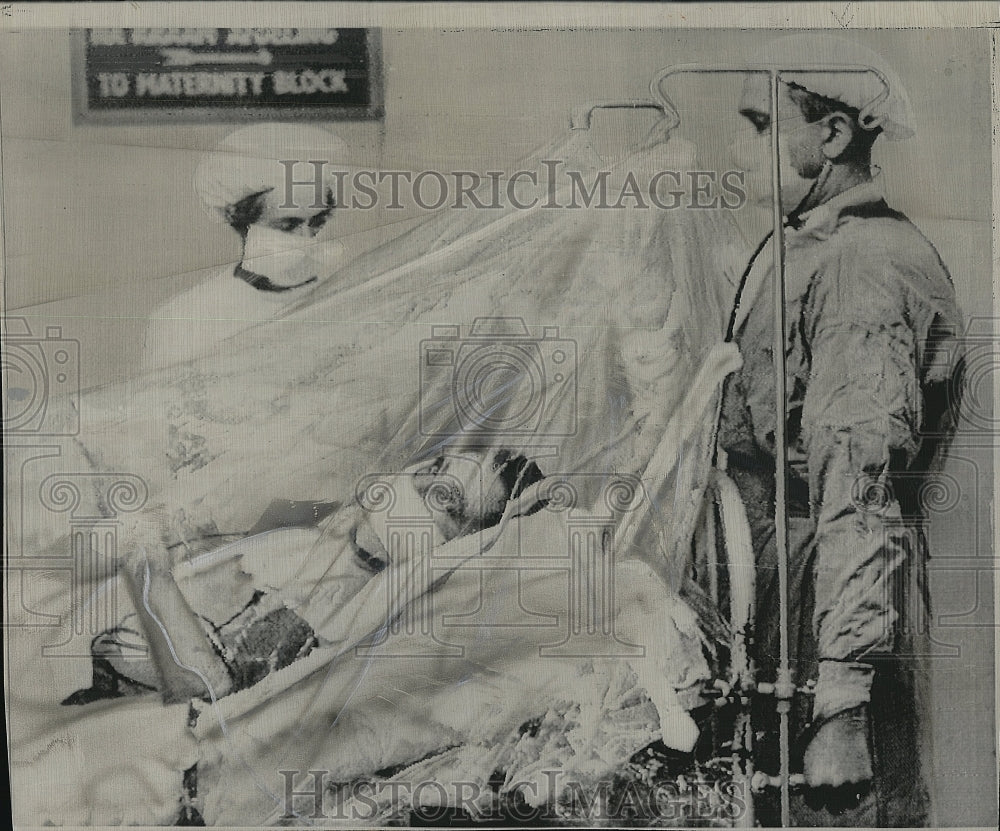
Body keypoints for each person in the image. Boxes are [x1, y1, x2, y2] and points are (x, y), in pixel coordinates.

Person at [718, 35, 963, 826]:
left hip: (835, 600)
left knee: (844, 811)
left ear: (831, 136)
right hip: (794, 591)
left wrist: (845, 701)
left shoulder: (865, 263)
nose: (748, 147)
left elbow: (860, 485)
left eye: (763, 125)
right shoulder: (812, 247)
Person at [142, 123, 351, 371]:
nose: (307, 238)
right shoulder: (186, 318)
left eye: (318, 222)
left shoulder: (350, 288)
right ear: (243, 223)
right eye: (287, 225)